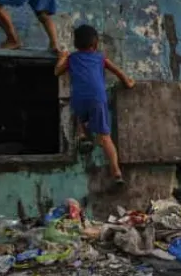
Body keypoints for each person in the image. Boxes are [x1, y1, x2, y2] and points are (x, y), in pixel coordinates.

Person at [54, 25, 134, 189]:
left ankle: (82, 135)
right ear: (95, 43)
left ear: (75, 44)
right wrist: (128, 82)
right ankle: (117, 172)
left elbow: (57, 72)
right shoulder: (100, 58)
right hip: (97, 98)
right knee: (105, 137)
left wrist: (63, 56)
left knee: (78, 116)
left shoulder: (72, 58)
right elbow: (117, 71)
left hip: (79, 98)